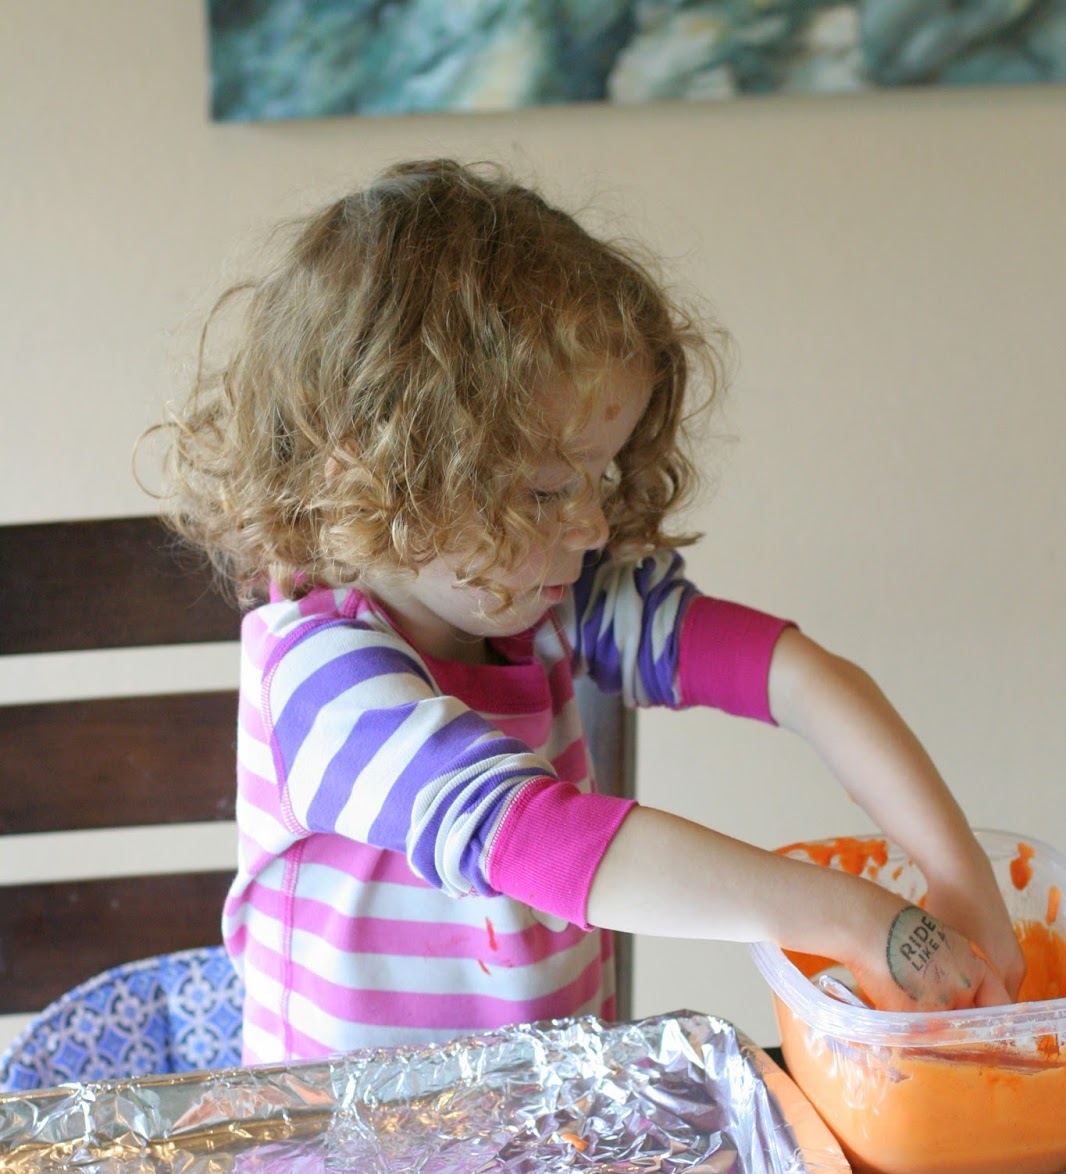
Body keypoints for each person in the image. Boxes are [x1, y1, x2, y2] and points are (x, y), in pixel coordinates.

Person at [153, 157, 1022, 1065]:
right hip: (348, 1146)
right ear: (377, 477)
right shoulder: (318, 678)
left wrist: (959, 874)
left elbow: (803, 680)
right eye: (542, 492)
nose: (594, 524)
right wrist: (857, 919)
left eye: (599, 476)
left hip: (548, 1120)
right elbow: (534, 835)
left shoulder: (551, 603)